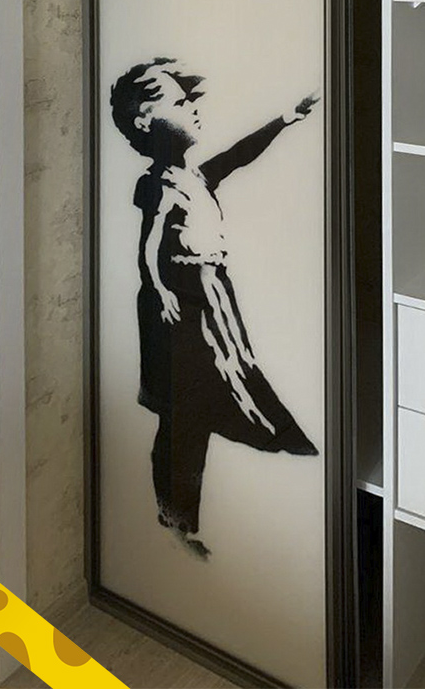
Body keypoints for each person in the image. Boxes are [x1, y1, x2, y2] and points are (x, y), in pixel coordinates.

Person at [110, 58, 320, 558]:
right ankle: (177, 515)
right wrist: (160, 289)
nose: (194, 108)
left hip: (209, 291)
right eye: (180, 102)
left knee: (207, 396)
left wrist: (286, 119)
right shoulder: (159, 182)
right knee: (184, 410)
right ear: (147, 121)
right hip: (178, 299)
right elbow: (149, 244)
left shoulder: (196, 176)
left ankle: (185, 509)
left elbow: (239, 155)